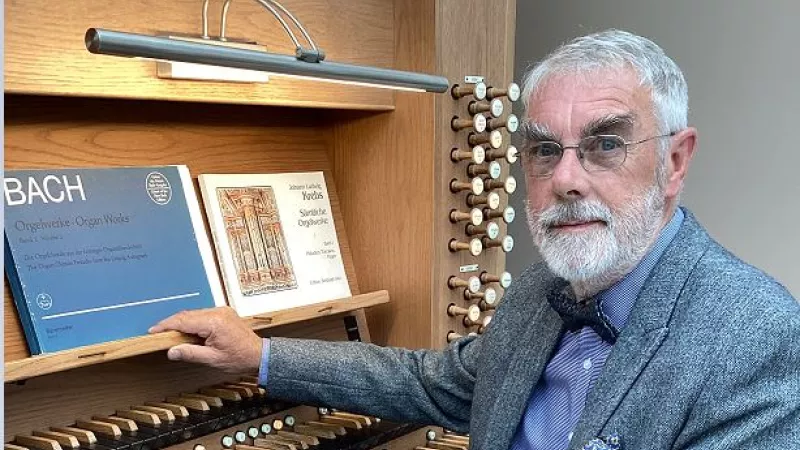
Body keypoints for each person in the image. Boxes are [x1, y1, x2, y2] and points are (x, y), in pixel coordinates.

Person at [149, 29, 800, 450]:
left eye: (605, 143)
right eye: (544, 150)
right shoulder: (540, 294)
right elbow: (434, 384)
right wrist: (259, 355)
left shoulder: (753, 333)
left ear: (675, 162)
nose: (566, 179)